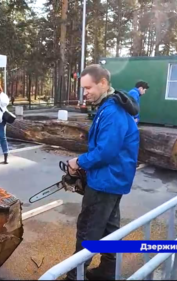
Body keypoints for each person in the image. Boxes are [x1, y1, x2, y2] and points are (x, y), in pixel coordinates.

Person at [65, 64, 140, 280]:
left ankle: (74, 277)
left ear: (103, 83)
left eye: (88, 88)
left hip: (106, 181)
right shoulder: (109, 106)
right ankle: (108, 272)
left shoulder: (112, 111)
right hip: (113, 179)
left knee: (88, 230)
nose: (85, 93)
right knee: (109, 230)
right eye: (83, 88)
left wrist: (78, 162)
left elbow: (106, 152)